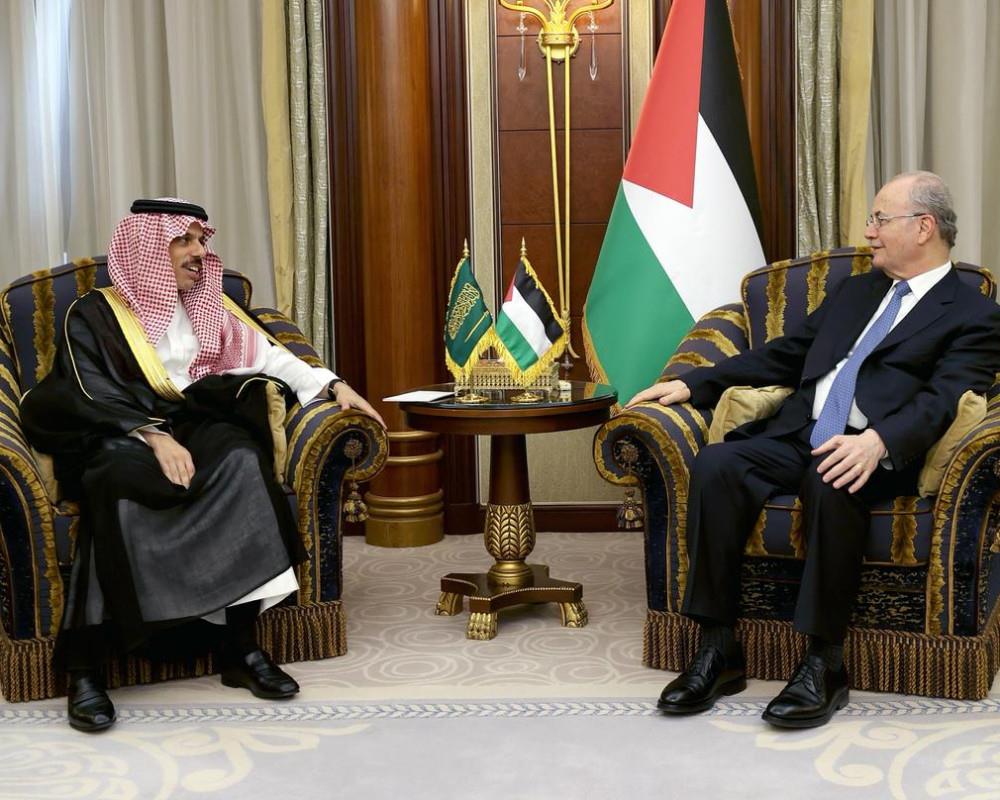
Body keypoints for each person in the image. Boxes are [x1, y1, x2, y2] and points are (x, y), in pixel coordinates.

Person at [628, 171, 1000, 728]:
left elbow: (944, 398)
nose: (869, 231)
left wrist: (878, 441)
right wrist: (693, 384)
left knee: (833, 476)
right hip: (800, 433)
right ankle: (718, 649)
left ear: (924, 227)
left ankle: (823, 664)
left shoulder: (974, 314)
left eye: (880, 219)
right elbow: (787, 352)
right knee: (718, 464)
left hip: (876, 450)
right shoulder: (858, 290)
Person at [21, 198, 385, 733]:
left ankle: (241, 648)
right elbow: (85, 389)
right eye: (184, 241)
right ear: (149, 249)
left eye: (201, 241)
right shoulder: (95, 313)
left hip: (194, 421)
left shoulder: (210, 303)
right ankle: (86, 667)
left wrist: (333, 385)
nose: (199, 252)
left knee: (242, 458)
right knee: (115, 480)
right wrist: (152, 436)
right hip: (117, 430)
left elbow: (272, 356)